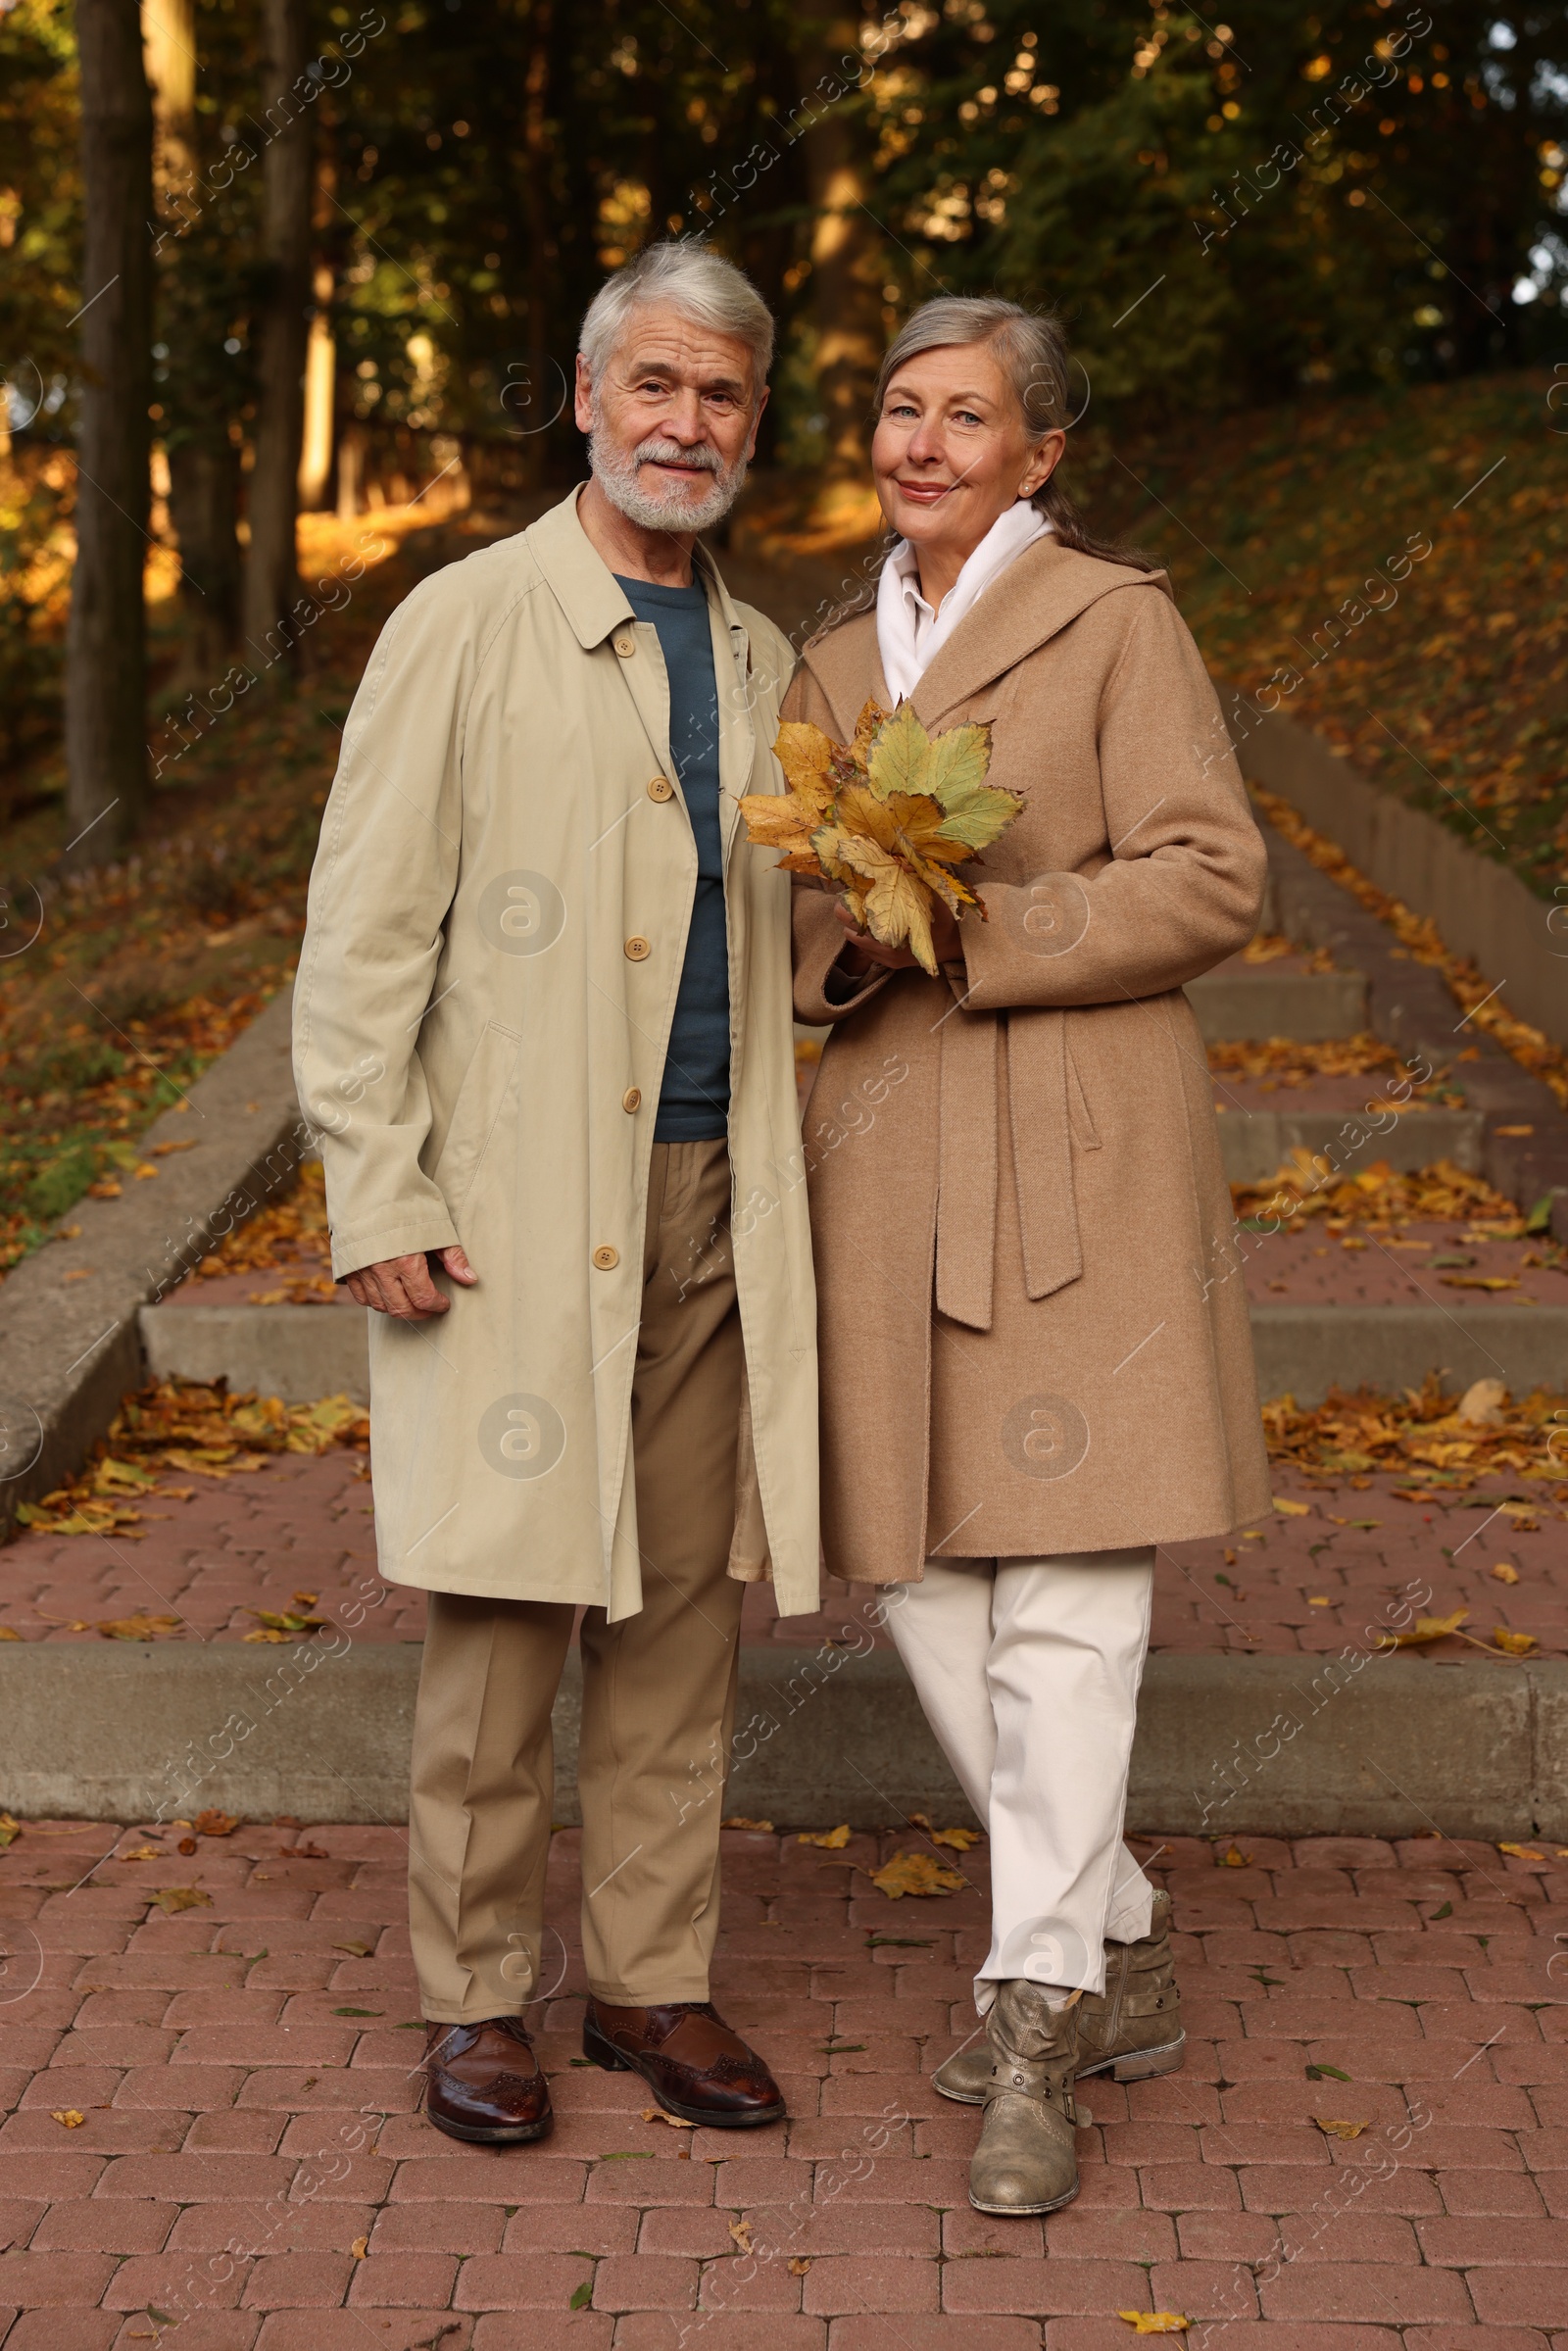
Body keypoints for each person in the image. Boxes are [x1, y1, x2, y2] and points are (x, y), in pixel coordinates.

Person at [294, 241, 818, 2145]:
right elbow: (361, 942)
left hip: (704, 1202)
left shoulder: (763, 657)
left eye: (724, 397)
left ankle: (649, 1987)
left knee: (681, 1620)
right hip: (515, 1199)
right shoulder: (461, 620)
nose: (687, 423)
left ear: (751, 427)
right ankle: (472, 2001)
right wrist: (375, 1182)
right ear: (588, 400)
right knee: (503, 1617)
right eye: (655, 385)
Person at [787, 296, 1271, 2217]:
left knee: (1065, 1586)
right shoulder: (829, 658)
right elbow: (794, 908)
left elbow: (1210, 869)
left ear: (1036, 454)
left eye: (962, 415)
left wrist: (986, 929)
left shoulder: (1114, 619)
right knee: (907, 1560)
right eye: (899, 408)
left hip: (1074, 1135)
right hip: (884, 1149)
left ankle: (1041, 2009)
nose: (919, 440)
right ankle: (1119, 1923)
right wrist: (849, 933)